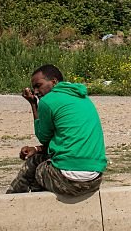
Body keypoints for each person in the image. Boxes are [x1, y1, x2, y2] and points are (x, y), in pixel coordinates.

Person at [6, 64, 107, 196]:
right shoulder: (82, 97)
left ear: (54, 82)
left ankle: (12, 200)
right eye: (33, 87)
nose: (35, 91)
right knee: (42, 162)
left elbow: (43, 137)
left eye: (38, 85)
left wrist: (33, 104)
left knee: (35, 164)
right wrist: (36, 149)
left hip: (69, 181)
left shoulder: (48, 101)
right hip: (94, 179)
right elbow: (64, 140)